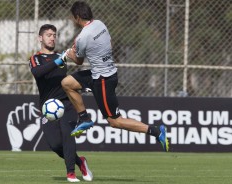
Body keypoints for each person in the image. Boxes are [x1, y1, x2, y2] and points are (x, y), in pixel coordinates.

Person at [61, 1, 169, 152]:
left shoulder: (82, 37)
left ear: (78, 17)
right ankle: (84, 118)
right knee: (67, 83)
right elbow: (109, 44)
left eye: (73, 18)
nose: (73, 20)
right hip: (101, 73)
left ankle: (155, 131)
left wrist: (69, 54)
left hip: (103, 80)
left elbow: (78, 61)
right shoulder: (100, 24)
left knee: (115, 121)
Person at [29, 24, 93, 182]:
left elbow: (66, 82)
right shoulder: (36, 59)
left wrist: (83, 87)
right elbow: (38, 73)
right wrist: (59, 60)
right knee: (56, 145)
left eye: (54, 35)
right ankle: (80, 162)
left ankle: (70, 173)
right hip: (48, 108)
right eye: (48, 35)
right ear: (40, 38)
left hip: (66, 104)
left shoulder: (61, 58)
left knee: (68, 135)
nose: (52, 38)